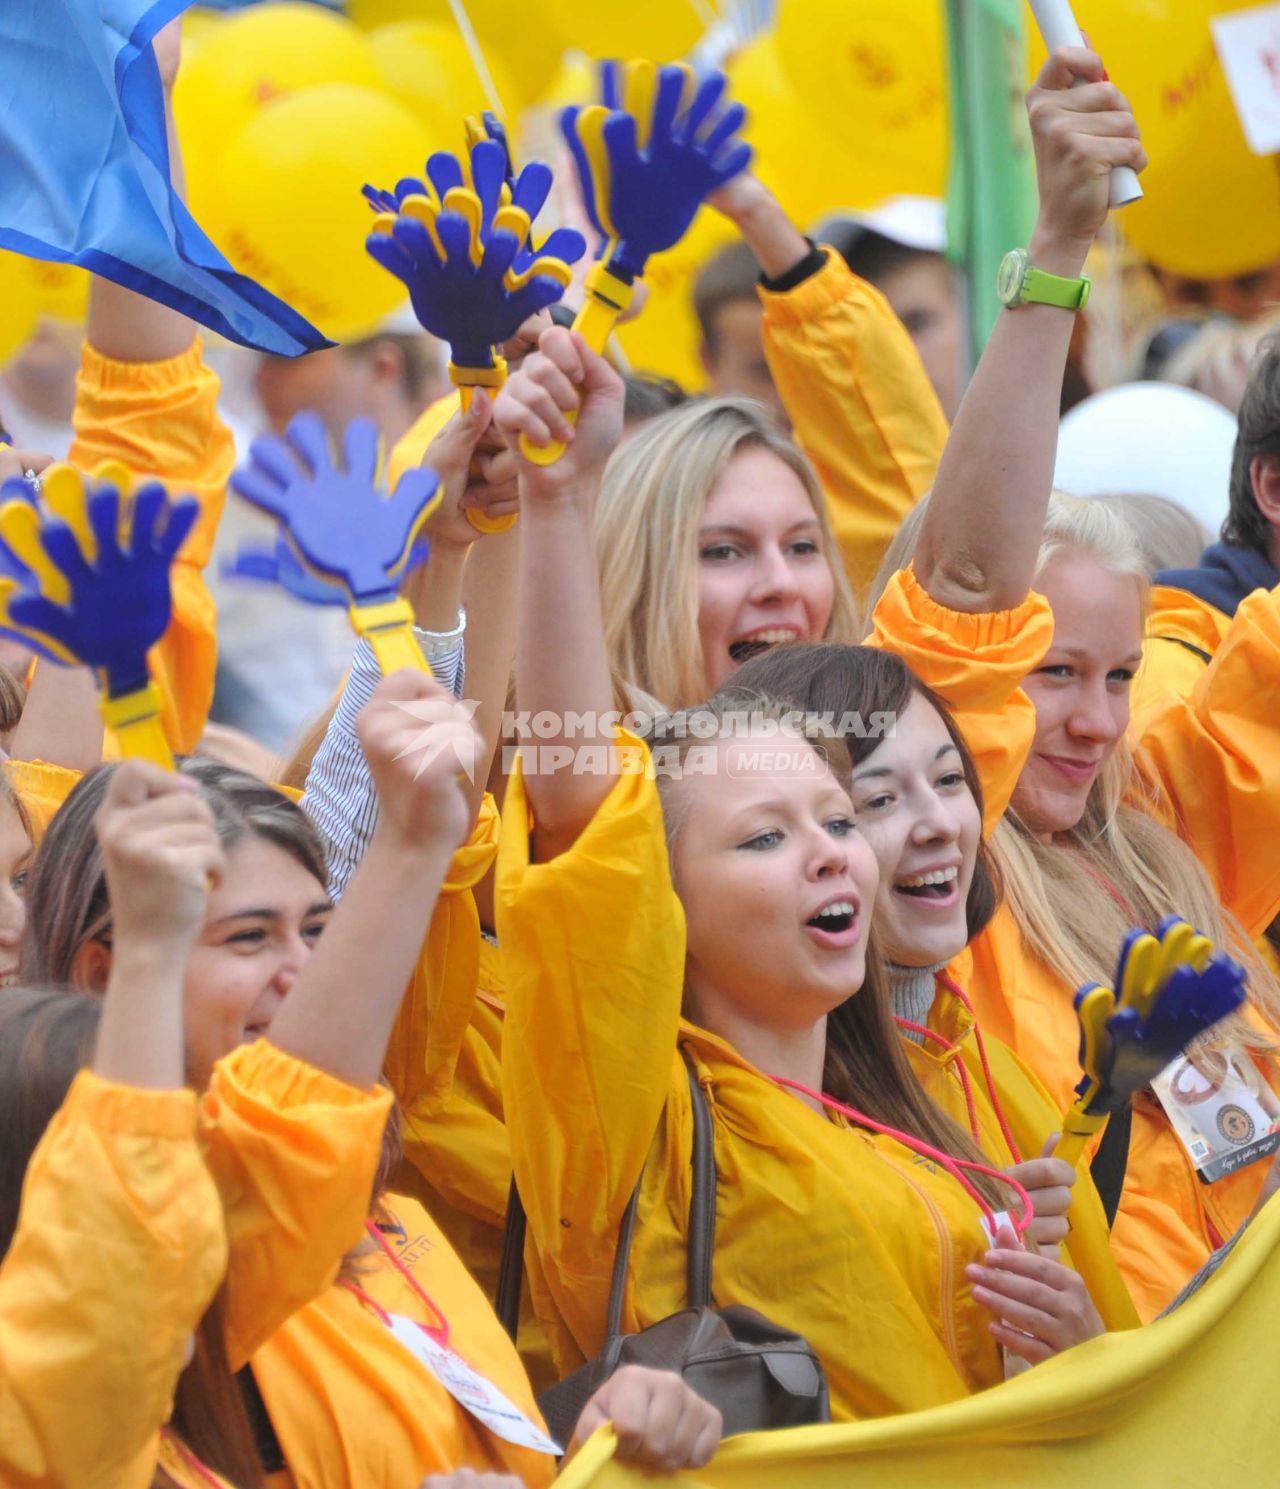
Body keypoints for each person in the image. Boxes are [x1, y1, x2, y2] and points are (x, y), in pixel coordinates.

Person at [488, 309, 1109, 1421]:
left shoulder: (916, 1107)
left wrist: (1074, 1343)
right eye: (765, 836)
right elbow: (581, 805)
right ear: (653, 902)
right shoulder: (639, 1118)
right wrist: (554, 501)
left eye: (836, 817)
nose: (831, 852)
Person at [23, 674, 722, 1486]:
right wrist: (409, 846)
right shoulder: (115, 1246)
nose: (304, 968)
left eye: (320, 929)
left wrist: (590, 1444)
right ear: (105, 972)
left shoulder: (392, 1221)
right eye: (248, 938)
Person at [867, 44, 1280, 1321]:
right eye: (1049, 675)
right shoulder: (950, 859)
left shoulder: (1157, 822)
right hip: (1117, 1408)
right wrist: (1053, 257)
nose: (1093, 720)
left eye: (1114, 674)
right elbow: (972, 584)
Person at [716, 641, 1138, 1333]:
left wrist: (1077, 1345)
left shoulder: (990, 1069)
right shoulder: (742, 1099)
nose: (942, 822)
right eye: (876, 800)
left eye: (949, 780)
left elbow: (1111, 1380)